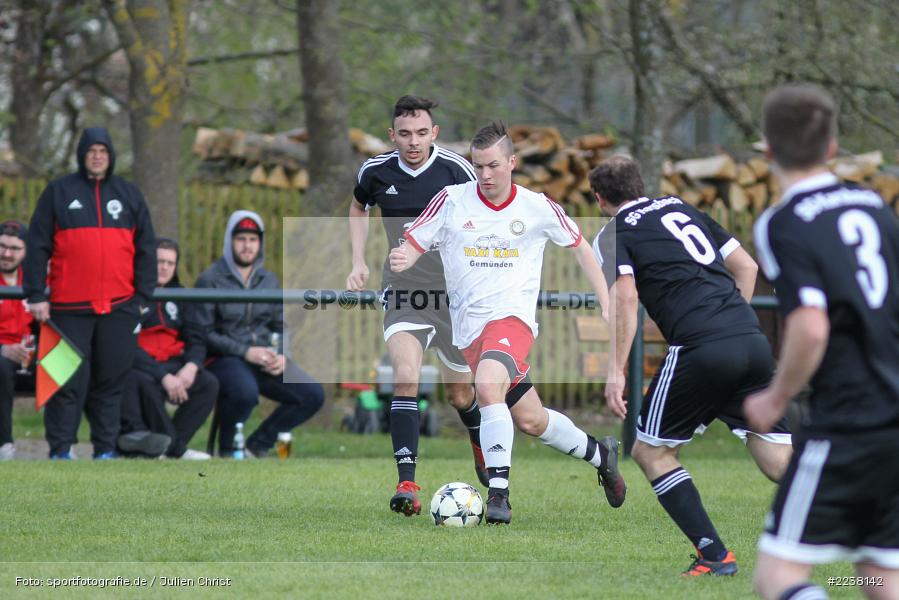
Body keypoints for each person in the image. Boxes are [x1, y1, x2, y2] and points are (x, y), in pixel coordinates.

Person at [390, 121, 626, 525]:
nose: (485, 175)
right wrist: (405, 257)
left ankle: (498, 494)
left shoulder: (536, 206)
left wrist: (606, 301)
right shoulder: (450, 200)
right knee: (532, 420)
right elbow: (414, 240)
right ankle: (601, 455)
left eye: (494, 166)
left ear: (512, 163)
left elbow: (581, 247)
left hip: (512, 321)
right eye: (478, 166)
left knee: (485, 387)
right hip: (468, 331)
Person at [590, 155, 793, 576]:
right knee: (778, 460)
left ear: (598, 198)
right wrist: (730, 320)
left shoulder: (613, 233)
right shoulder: (681, 207)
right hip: (750, 338)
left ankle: (715, 556)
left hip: (699, 347)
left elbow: (625, 297)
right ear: (639, 184)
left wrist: (616, 370)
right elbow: (747, 266)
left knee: (650, 451)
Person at [745, 84, 899, 600]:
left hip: (848, 422)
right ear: (832, 147)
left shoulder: (782, 222)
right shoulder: (875, 206)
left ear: (766, 151)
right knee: (879, 576)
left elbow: (811, 326)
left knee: (777, 577)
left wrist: (777, 396)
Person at [346, 95, 487, 515]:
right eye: (404, 134)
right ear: (393, 135)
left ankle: (478, 436)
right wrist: (358, 262)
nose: (413, 141)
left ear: (434, 134)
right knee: (404, 377)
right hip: (404, 292)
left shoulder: (456, 171)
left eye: (421, 133)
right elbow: (358, 206)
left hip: (452, 296)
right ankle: (407, 482)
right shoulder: (376, 171)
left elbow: (481, 218)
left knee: (459, 395)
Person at [24, 127, 157, 460]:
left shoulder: (128, 194)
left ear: (110, 156)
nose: (97, 156)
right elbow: (37, 246)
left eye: (103, 150)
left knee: (110, 383)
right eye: (91, 150)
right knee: (64, 380)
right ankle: (60, 450)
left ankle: (105, 449)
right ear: (82, 154)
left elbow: (146, 249)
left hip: (119, 307)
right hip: (66, 309)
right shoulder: (58, 192)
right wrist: (36, 295)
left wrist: (142, 297)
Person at [196, 210, 324, 457]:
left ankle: (257, 445)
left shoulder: (269, 281)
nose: (247, 246)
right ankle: (228, 450)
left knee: (312, 394)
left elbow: (281, 325)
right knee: (245, 391)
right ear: (229, 241)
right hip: (225, 358)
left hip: (265, 358)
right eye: (241, 239)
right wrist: (246, 352)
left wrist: (282, 354)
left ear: (260, 243)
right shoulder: (210, 279)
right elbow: (205, 333)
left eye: (253, 240)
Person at [120, 238, 218, 460]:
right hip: (143, 365)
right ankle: (175, 449)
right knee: (141, 381)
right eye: (159, 261)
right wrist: (163, 376)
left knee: (209, 383)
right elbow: (127, 343)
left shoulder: (181, 295)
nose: (164, 267)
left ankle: (170, 446)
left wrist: (192, 366)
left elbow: (196, 337)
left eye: (169, 263)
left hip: (176, 361)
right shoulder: (131, 294)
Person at [0, 220, 35, 460]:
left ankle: (63, 446)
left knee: (72, 366)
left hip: (30, 354)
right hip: (2, 355)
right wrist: (2, 348)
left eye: (14, 249)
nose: (6, 254)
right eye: (2, 246)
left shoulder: (35, 282)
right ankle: (4, 445)